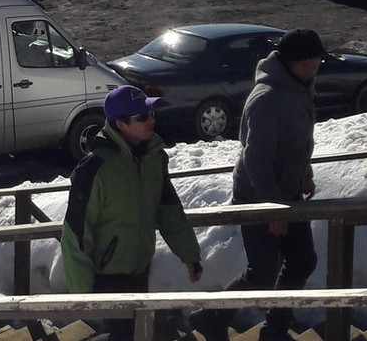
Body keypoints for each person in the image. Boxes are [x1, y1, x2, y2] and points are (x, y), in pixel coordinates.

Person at [191, 29, 324, 341]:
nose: (318, 65)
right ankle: (211, 317)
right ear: (299, 62)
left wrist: (305, 173)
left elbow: (297, 141)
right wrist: (271, 209)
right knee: (262, 271)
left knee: (303, 260)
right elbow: (257, 161)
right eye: (315, 60)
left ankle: (275, 325)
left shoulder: (299, 87)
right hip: (258, 195)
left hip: (287, 192)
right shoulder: (268, 99)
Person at [62, 85, 203, 341]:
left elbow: (169, 209)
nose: (151, 120)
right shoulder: (95, 168)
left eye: (151, 113)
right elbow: (75, 231)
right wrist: (82, 291)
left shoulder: (154, 158)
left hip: (139, 267)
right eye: (142, 116)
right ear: (121, 123)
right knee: (125, 334)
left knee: (133, 333)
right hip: (107, 273)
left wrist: (190, 254)